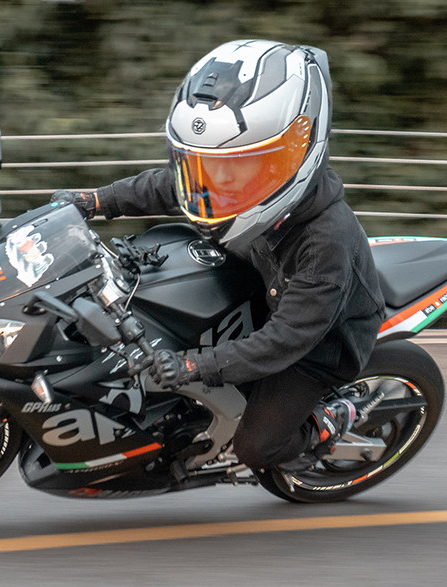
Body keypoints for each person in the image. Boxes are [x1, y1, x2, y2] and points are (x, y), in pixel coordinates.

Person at [51, 39, 385, 472]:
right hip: (263, 289)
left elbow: (287, 340)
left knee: (257, 449)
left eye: (236, 166)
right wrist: (96, 201)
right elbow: (174, 186)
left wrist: (193, 364)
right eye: (209, 165)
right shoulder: (257, 178)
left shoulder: (326, 241)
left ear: (293, 151)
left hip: (321, 345)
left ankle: (329, 421)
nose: (219, 183)